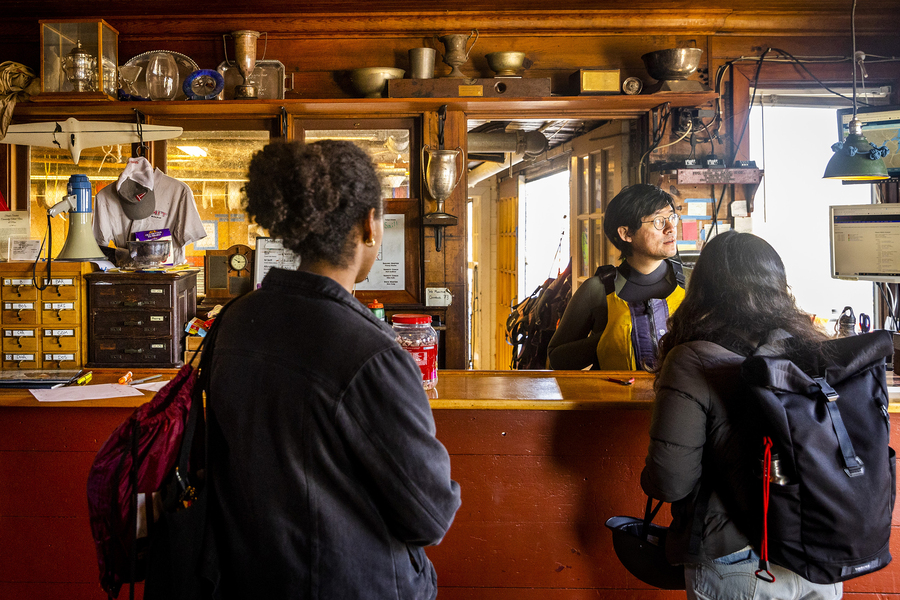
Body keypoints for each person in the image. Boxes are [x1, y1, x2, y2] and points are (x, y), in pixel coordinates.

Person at [206, 140, 461, 599]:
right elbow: (430, 514)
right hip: (351, 582)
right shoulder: (372, 352)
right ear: (369, 225)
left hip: (249, 578)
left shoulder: (238, 319)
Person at [640, 231, 841, 599]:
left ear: (703, 288)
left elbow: (669, 483)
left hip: (738, 560)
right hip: (818, 552)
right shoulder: (812, 349)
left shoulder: (692, 359)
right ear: (778, 284)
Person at [548, 183, 684, 371]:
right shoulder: (597, 290)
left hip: (678, 400)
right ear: (626, 233)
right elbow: (556, 358)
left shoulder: (692, 284)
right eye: (658, 221)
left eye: (672, 218)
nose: (671, 228)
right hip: (616, 400)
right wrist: (607, 339)